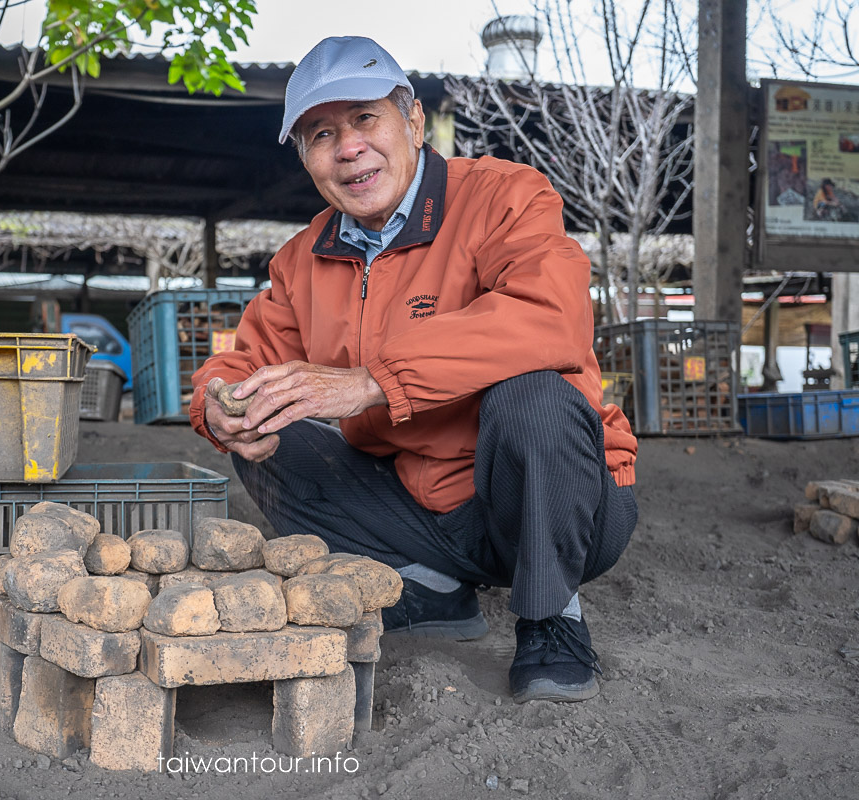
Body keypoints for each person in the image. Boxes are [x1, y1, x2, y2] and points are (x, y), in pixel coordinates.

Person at [188, 36, 638, 704]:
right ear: (307, 158)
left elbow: (550, 319)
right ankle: (432, 591)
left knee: (536, 395)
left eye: (365, 119)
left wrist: (371, 381)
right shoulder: (302, 258)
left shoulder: (502, 197)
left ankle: (551, 617)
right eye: (320, 134)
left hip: (555, 502)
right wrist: (219, 405)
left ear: (414, 121)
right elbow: (242, 361)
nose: (348, 147)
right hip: (423, 507)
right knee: (270, 431)